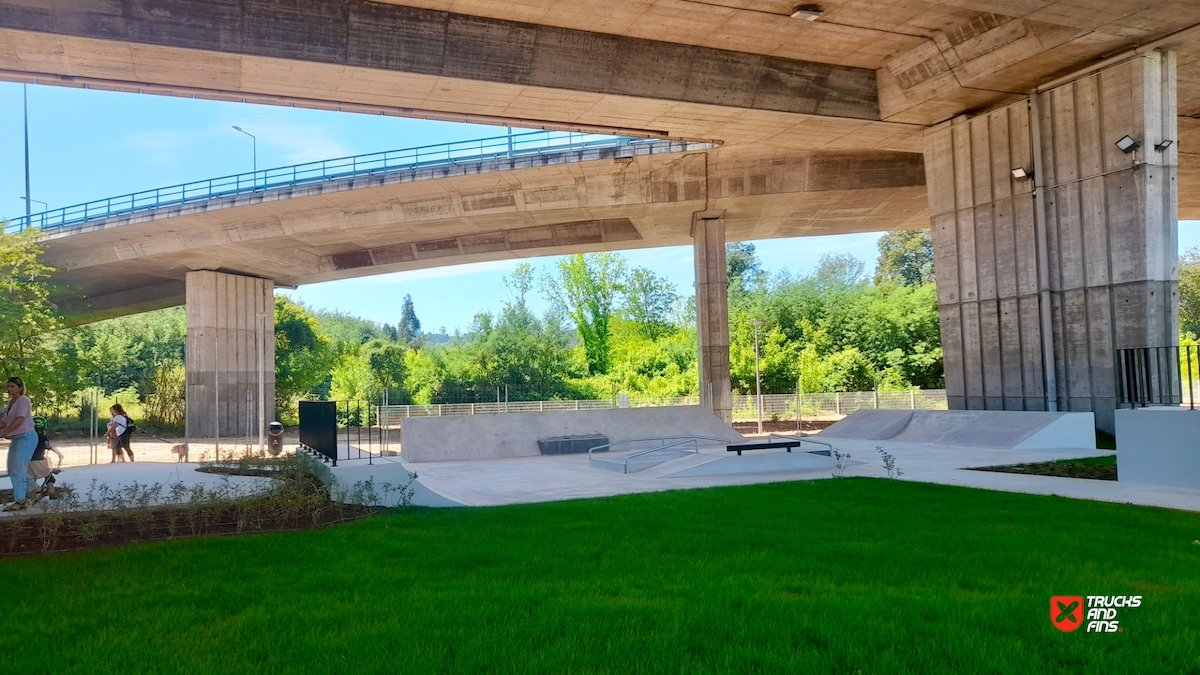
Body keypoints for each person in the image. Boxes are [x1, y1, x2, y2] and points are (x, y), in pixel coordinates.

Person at [0, 376, 38, 511]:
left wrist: (4, 433)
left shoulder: (23, 400)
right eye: (8, 386)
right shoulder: (11, 402)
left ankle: (20, 500)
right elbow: (5, 422)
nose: (9, 389)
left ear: (20, 388)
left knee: (18, 468)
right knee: (13, 468)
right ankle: (35, 489)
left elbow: (19, 420)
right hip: (17, 438)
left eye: (12, 386)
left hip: (26, 437)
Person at [28, 417, 62, 500]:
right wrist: (59, 454)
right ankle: (51, 492)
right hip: (40, 460)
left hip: (29, 461)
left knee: (32, 477)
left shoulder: (28, 436)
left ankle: (34, 494)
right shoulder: (43, 437)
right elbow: (48, 446)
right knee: (48, 476)